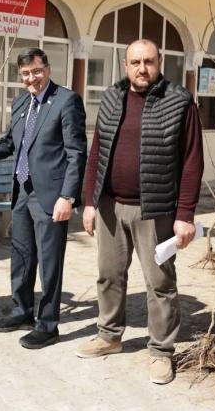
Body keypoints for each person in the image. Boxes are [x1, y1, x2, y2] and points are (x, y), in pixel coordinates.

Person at [75, 39, 203, 385]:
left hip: (156, 209)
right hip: (110, 206)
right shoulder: (112, 97)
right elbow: (97, 151)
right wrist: (90, 202)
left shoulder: (179, 101)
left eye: (148, 61)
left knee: (160, 283)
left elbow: (192, 161)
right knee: (108, 275)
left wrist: (185, 215)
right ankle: (109, 335)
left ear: (159, 62)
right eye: (135, 62)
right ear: (126, 65)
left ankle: (161, 351)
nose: (142, 68)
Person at [0, 47, 87, 350]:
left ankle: (48, 325)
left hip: (50, 196)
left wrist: (67, 196)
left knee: (49, 262)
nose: (32, 78)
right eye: (26, 74)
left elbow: (76, 153)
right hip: (22, 191)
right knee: (21, 255)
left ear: (48, 69)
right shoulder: (20, 102)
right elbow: (9, 143)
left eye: (37, 71)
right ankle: (22, 311)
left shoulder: (66, 101)